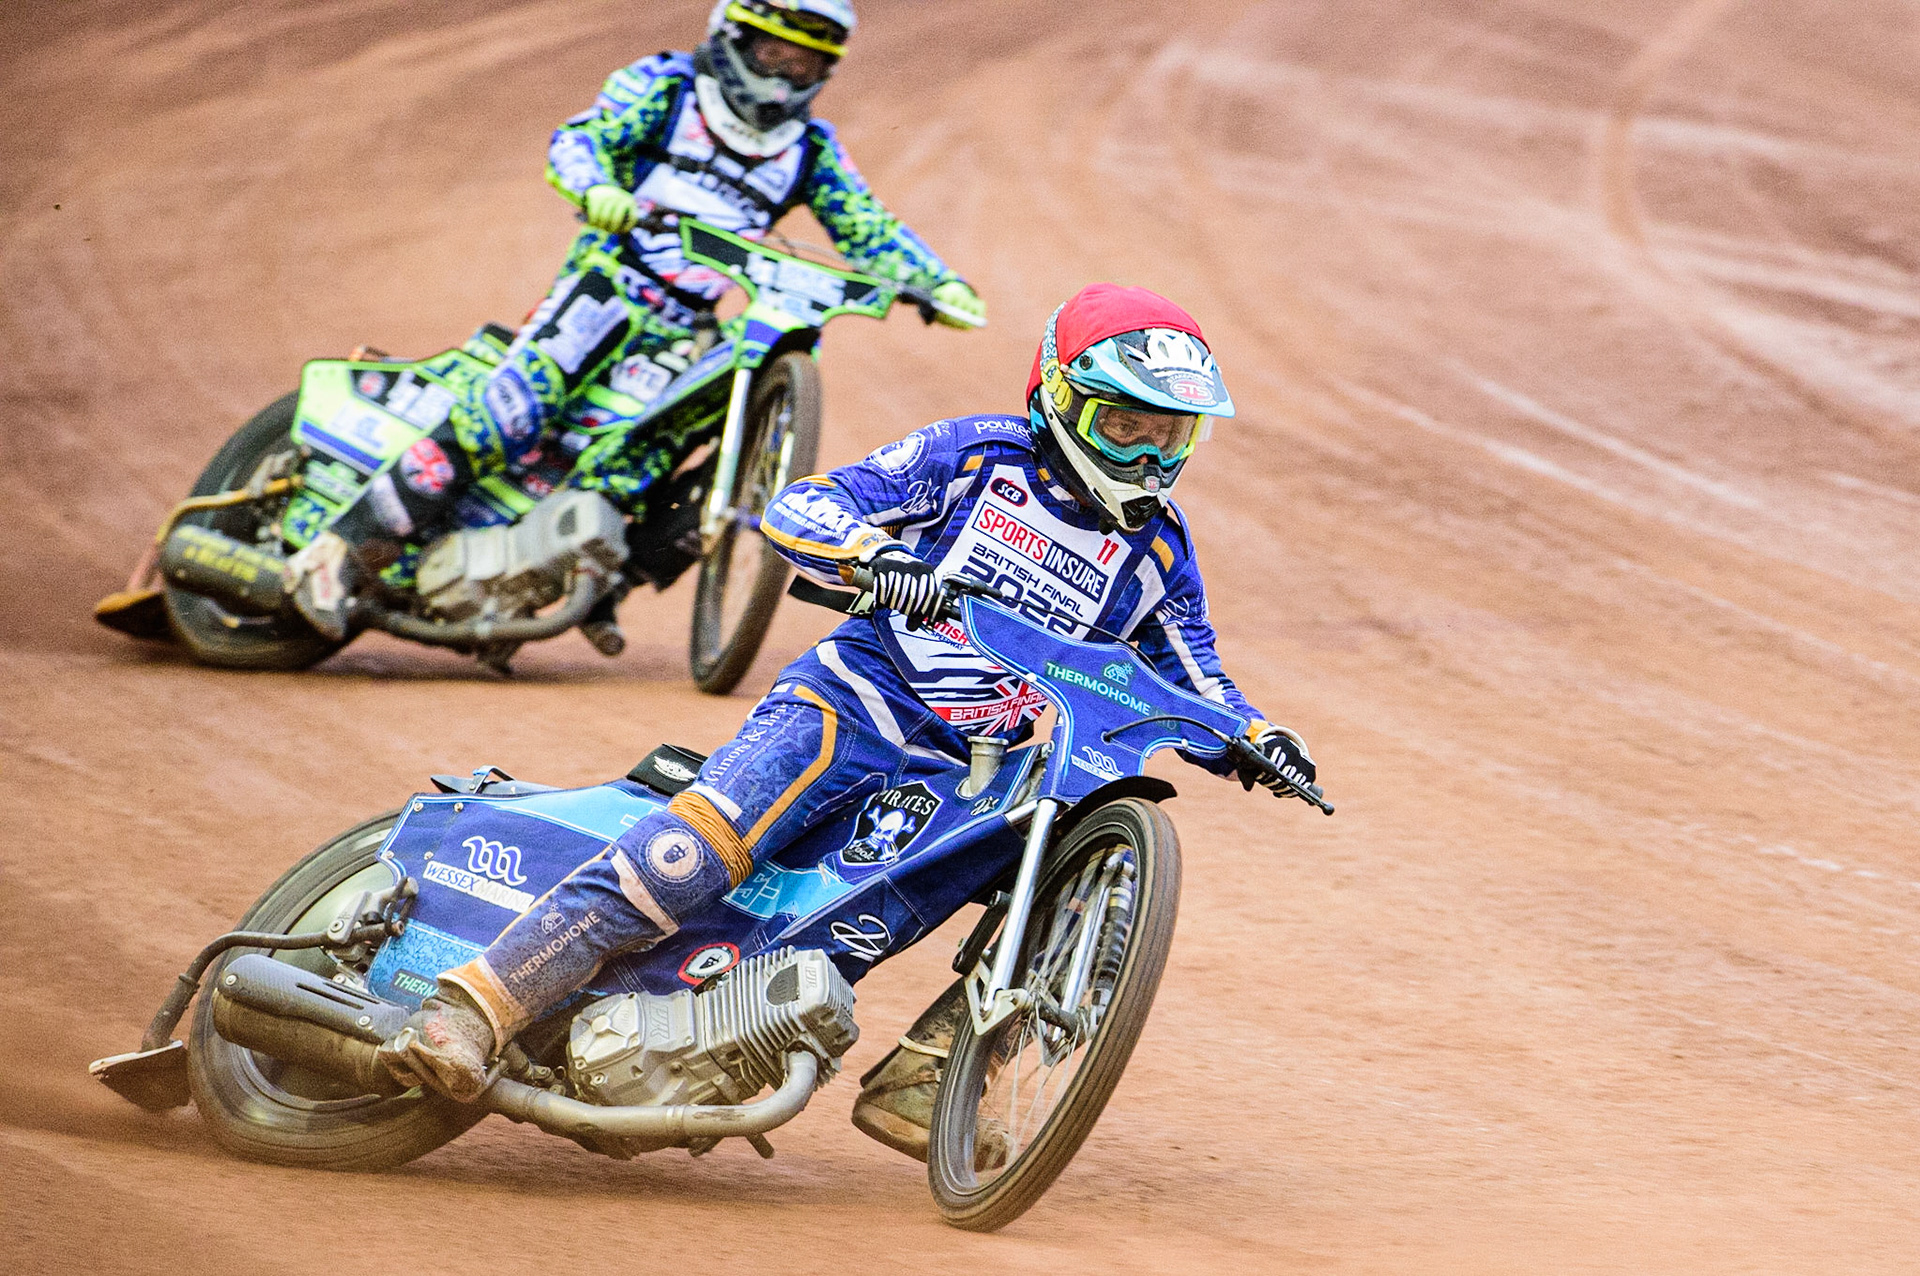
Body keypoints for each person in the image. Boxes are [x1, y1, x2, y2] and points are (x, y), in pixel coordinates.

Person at [377, 284, 1317, 1161]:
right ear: (1061, 399)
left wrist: (1255, 736)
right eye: (1125, 426)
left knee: (1051, 866)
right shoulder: (979, 455)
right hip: (850, 701)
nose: (1150, 457)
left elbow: (1192, 673)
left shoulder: (1160, 548)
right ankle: (474, 1007)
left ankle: (929, 1076)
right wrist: (875, 555)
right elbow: (807, 503)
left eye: (1171, 434)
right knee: (688, 857)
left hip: (965, 769)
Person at [288, 0, 985, 639]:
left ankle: (579, 577)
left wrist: (938, 281)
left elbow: (867, 225)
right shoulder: (666, 87)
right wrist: (596, 187)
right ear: (734, 36)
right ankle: (334, 552)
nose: (784, 76)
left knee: (636, 464)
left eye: (804, 64)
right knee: (509, 416)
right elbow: (579, 139)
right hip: (608, 286)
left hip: (686, 329)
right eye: (775, 53)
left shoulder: (810, 149)